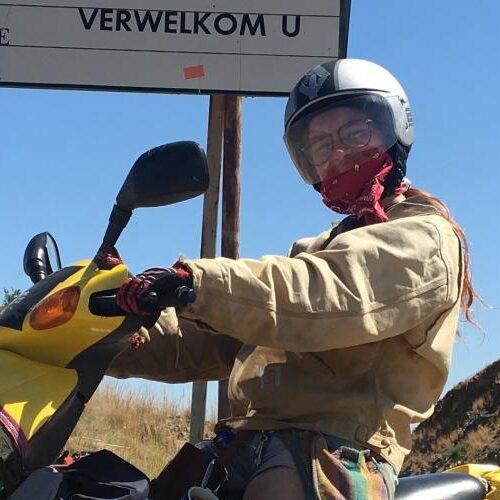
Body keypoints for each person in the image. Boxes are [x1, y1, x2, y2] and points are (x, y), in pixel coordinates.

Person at [109, 59, 477, 500]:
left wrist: (195, 283)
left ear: (394, 129)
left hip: (333, 453)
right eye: (321, 146)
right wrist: (112, 334)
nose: (338, 153)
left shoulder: (423, 235)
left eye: (354, 134)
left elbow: (323, 294)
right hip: (247, 440)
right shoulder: (322, 245)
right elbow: (229, 335)